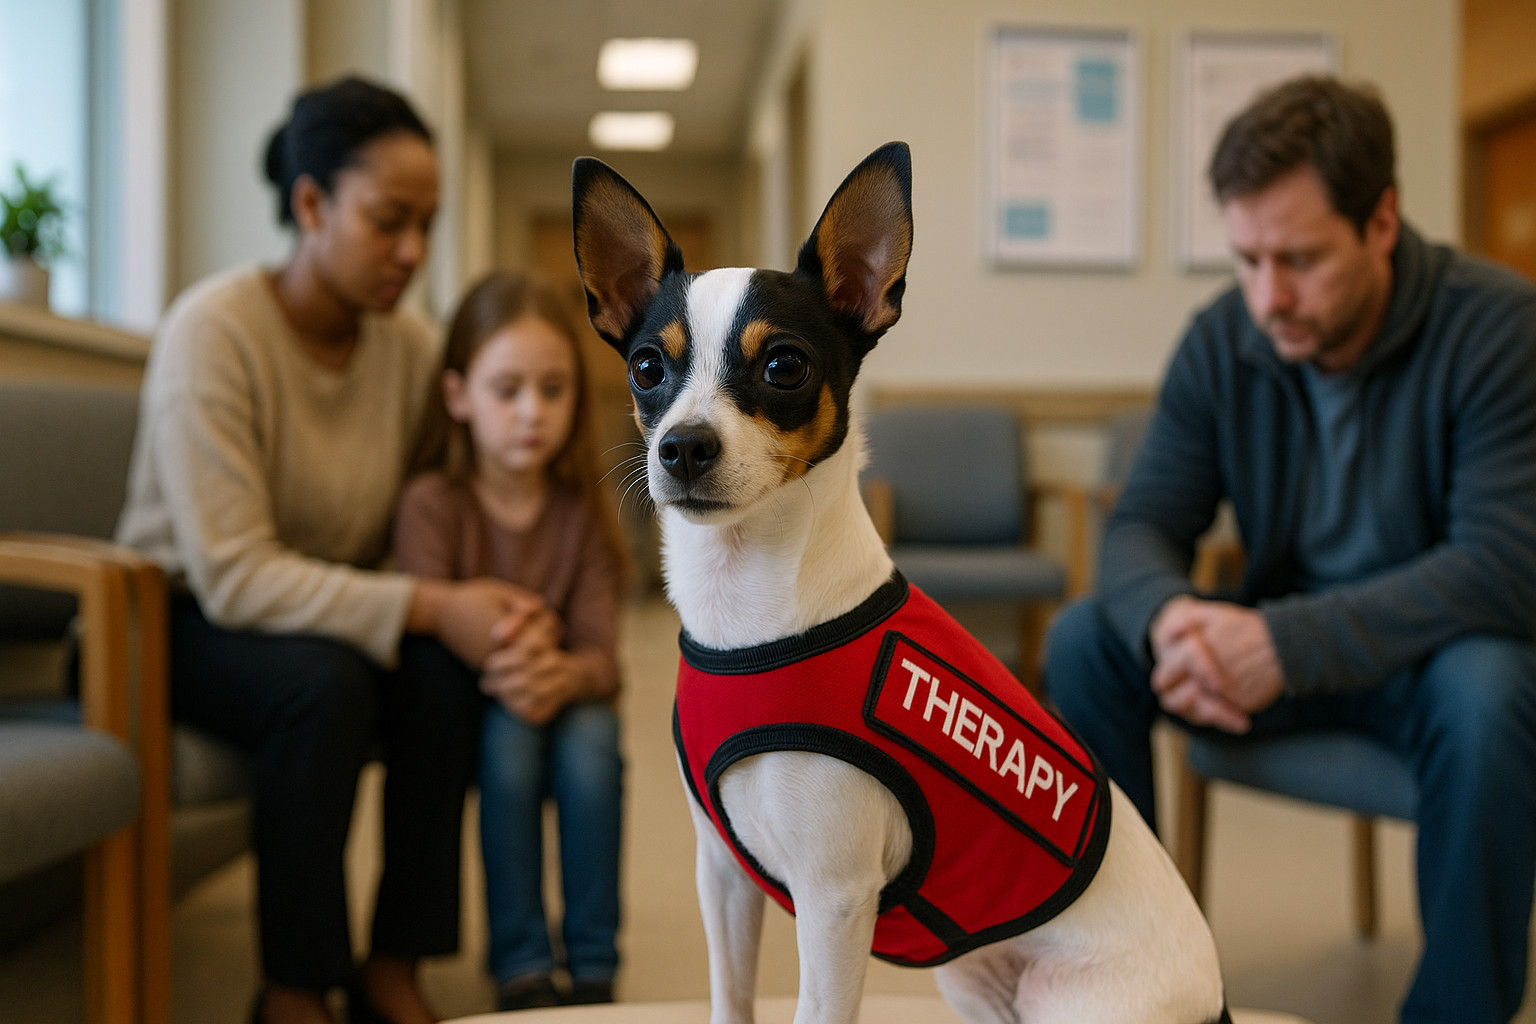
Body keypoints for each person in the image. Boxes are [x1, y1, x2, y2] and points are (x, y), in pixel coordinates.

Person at [1044, 75, 1536, 1024]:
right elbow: (1141, 525)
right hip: (1272, 654)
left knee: (1492, 689)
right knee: (1086, 640)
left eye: (1301, 259)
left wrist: (1285, 645)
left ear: (1381, 221)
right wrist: (1172, 622)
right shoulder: (1223, 340)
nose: (1270, 296)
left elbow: (1503, 565)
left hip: (1425, 660)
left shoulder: (1498, 330)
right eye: (1248, 259)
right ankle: (1133, 969)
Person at [116, 76, 543, 1024]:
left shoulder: (408, 351)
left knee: (438, 677)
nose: (413, 251)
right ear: (310, 205)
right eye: (389, 220)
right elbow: (233, 575)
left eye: (426, 224)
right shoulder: (212, 333)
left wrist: (510, 616)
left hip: (329, 620)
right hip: (170, 622)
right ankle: (295, 989)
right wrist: (431, 605)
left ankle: (393, 967)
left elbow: (446, 509)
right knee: (326, 686)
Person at [394, 271, 627, 1012]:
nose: (533, 411)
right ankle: (521, 962)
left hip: (565, 697)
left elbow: (604, 661)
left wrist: (562, 672)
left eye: (554, 390)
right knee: (511, 737)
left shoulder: (582, 513)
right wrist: (531, 642)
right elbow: (429, 624)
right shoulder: (432, 504)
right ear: (458, 395)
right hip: (480, 710)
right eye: (507, 390)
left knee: (594, 741)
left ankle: (593, 962)